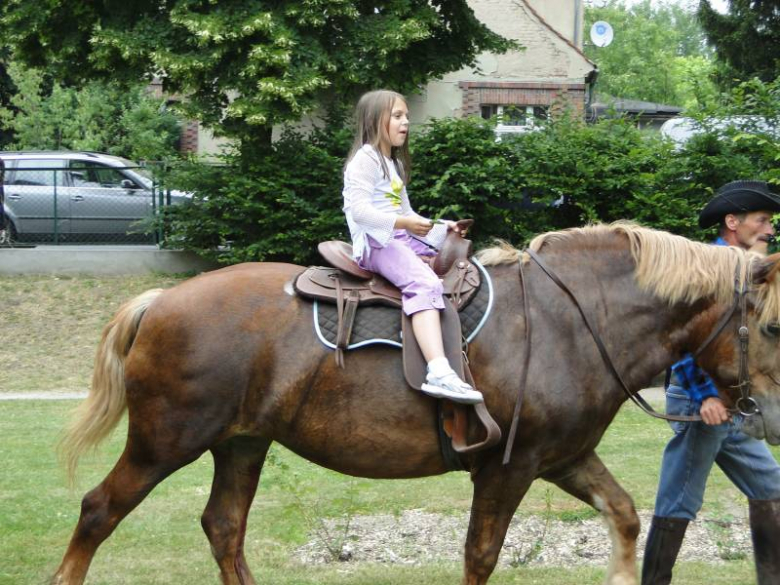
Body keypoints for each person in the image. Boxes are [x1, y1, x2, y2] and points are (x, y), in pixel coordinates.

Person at [642, 180, 780, 585]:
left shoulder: (748, 271)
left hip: (737, 402)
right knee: (680, 497)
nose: (770, 229)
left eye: (770, 222)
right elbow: (682, 337)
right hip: (702, 402)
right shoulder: (708, 268)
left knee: (771, 486)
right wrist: (704, 396)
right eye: (762, 220)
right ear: (732, 221)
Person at [342, 89, 482, 405]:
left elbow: (407, 214)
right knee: (423, 282)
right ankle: (438, 371)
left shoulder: (394, 165)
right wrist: (404, 224)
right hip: (376, 244)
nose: (406, 122)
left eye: (406, 116)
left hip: (397, 238)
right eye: (397, 116)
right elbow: (359, 211)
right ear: (376, 120)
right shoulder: (365, 160)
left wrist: (440, 227)